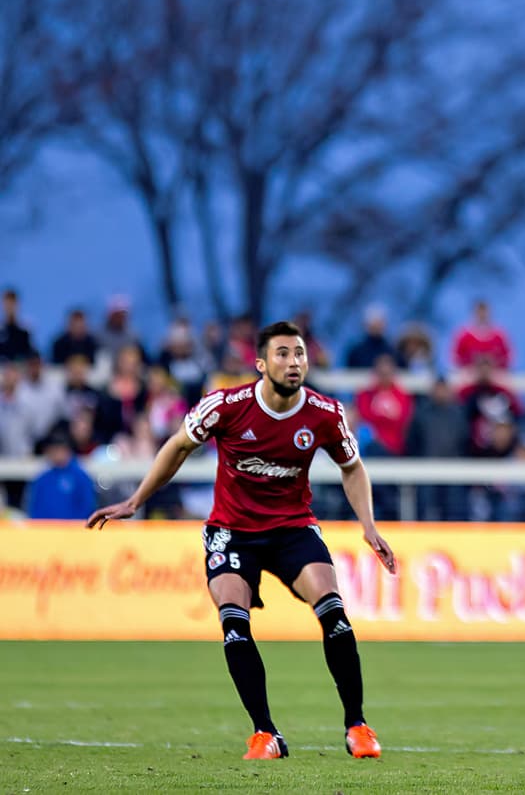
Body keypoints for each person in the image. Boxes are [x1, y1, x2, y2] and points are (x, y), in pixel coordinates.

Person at [86, 321, 397, 760]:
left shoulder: (325, 413)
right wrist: (137, 499)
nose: (294, 362)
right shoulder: (226, 405)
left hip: (292, 528)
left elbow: (352, 468)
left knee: (333, 610)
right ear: (261, 364)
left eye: (300, 353)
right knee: (234, 620)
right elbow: (178, 446)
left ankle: (357, 726)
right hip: (232, 532)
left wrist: (368, 525)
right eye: (283, 354)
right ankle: (265, 734)